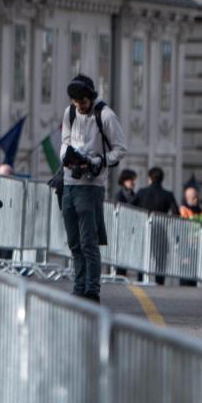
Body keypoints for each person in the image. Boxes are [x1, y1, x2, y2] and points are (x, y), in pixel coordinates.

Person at [58, 73, 128, 303]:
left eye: (83, 102)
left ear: (91, 97)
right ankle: (79, 287)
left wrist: (98, 160)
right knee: (74, 241)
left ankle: (92, 290)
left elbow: (120, 149)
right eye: (76, 102)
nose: (80, 106)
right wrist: (68, 157)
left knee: (89, 242)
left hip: (91, 185)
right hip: (69, 182)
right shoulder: (69, 113)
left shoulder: (105, 115)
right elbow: (65, 142)